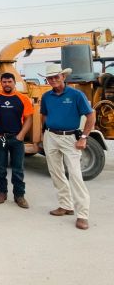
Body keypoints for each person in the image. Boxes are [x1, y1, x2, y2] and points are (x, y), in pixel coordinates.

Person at [40, 64, 95, 230]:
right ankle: (66, 205)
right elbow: (44, 115)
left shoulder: (76, 95)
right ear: (47, 80)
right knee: (56, 172)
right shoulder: (46, 96)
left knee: (75, 175)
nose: (53, 80)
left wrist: (84, 137)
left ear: (63, 77)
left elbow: (90, 115)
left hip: (70, 138)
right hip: (51, 136)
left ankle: (83, 215)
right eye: (50, 78)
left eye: (56, 76)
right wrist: (45, 134)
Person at [0, 72, 33, 208]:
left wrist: (21, 135)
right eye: (4, 82)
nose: (7, 84)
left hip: (16, 138)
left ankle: (19, 195)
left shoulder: (22, 99)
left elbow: (28, 119)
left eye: (9, 82)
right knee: (0, 168)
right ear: (1, 83)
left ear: (14, 83)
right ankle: (1, 193)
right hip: (0, 138)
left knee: (18, 169)